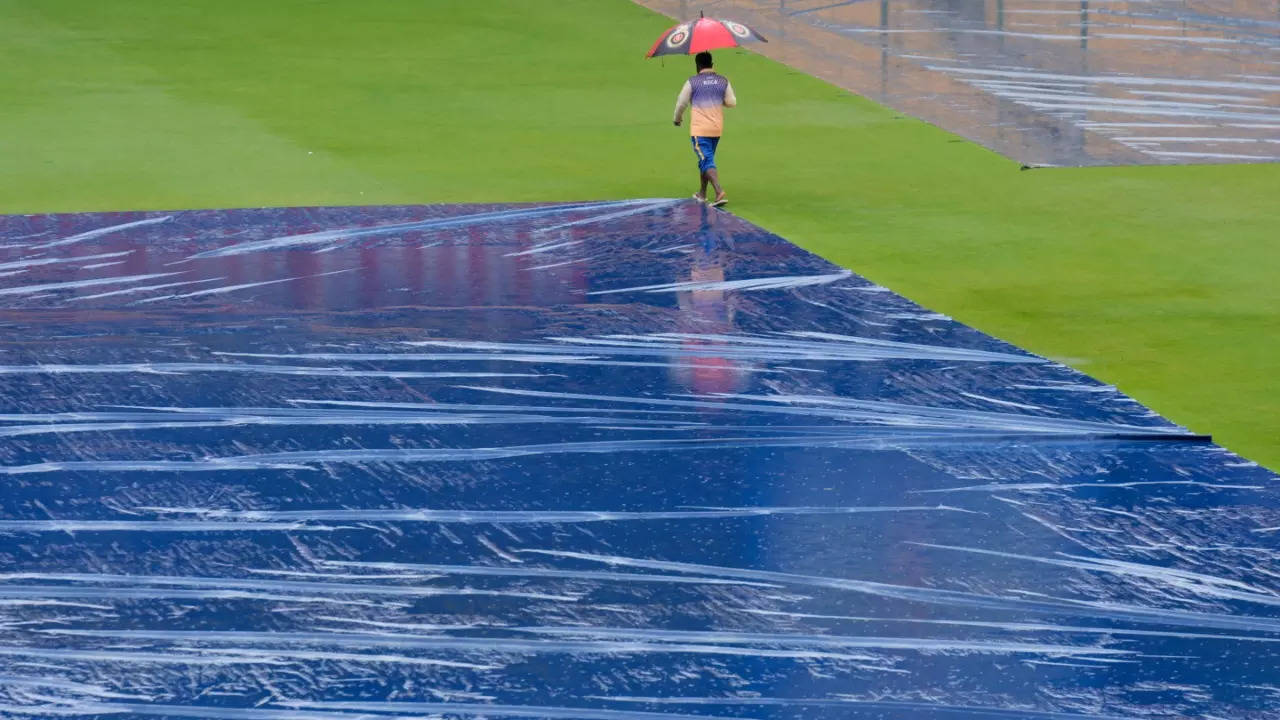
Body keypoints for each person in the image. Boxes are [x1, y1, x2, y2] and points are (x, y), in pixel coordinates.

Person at [673, 51, 736, 207]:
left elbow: (681, 102)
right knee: (705, 160)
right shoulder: (723, 81)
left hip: (700, 130)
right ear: (712, 64)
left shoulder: (693, 82)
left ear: (697, 65)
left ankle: (719, 192)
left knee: (706, 160)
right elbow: (731, 102)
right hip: (716, 129)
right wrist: (716, 97)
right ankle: (702, 193)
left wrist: (677, 119)